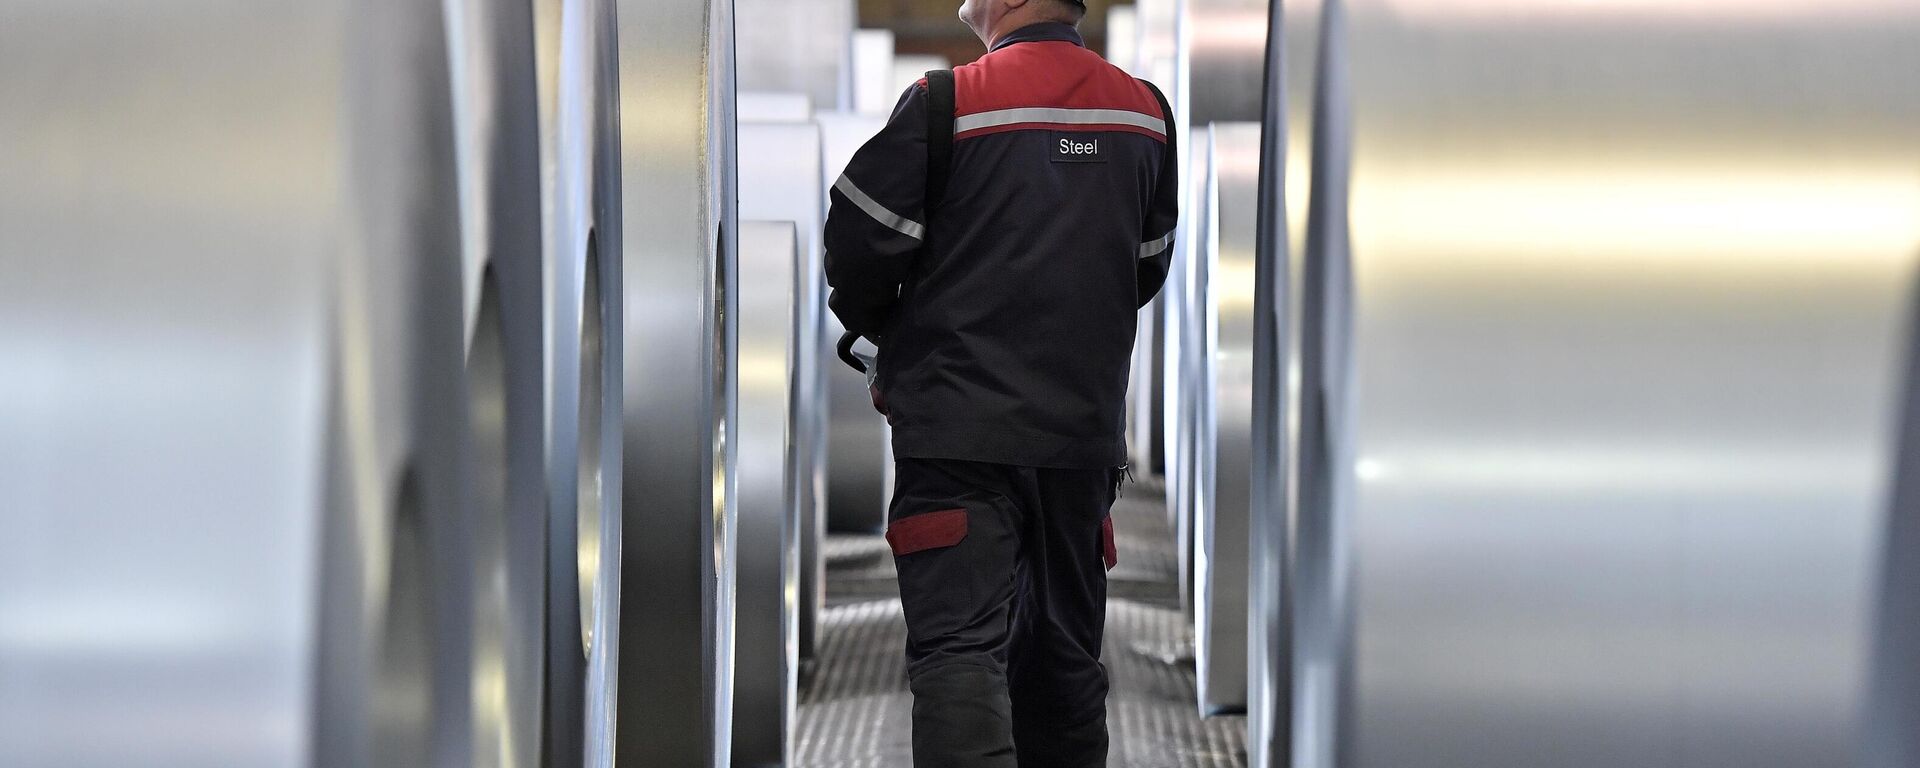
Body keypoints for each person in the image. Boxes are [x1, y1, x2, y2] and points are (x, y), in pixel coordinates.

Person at [823, 0, 1176, 764]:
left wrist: (899, 334)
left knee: (960, 658)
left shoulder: (946, 104)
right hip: (1079, 445)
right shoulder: (1146, 115)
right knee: (1064, 668)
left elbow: (854, 250)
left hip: (955, 441)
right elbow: (1144, 268)